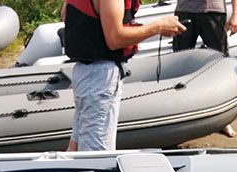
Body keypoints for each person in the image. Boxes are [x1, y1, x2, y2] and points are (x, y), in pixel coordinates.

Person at [63, 0, 186, 151]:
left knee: (75, 147)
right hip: (101, 77)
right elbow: (114, 39)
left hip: (84, 72)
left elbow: (66, 15)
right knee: (97, 152)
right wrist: (158, 27)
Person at [172, 0, 237, 137]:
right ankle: (181, 115)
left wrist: (236, 14)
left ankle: (223, 119)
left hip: (214, 11)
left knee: (219, 64)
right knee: (180, 64)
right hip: (185, 10)